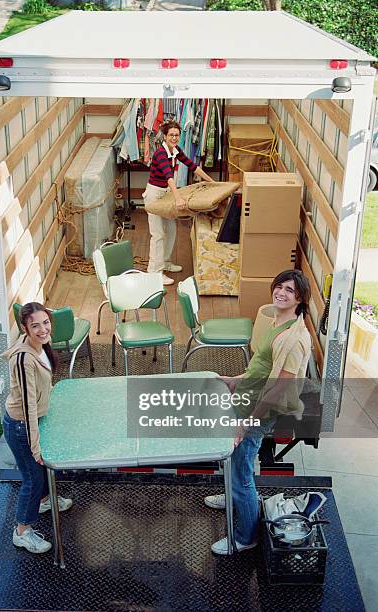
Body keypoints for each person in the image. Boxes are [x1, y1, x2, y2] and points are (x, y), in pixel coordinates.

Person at [205, 270, 312, 554]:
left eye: (290, 290)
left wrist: (247, 424)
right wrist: (236, 380)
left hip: (258, 412)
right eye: (279, 286)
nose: (281, 292)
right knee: (233, 462)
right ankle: (231, 498)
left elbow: (278, 388)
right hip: (246, 400)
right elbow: (261, 369)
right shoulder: (276, 321)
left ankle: (245, 537)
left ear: (300, 298)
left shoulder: (294, 339)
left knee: (241, 474)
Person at [2, 302, 73, 554]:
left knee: (39, 472)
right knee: (32, 477)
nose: (43, 329)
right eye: (35, 325)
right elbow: (28, 405)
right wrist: (35, 446)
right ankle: (22, 532)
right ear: (25, 328)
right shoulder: (23, 359)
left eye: (45, 322)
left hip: (33, 420)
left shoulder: (40, 345)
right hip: (21, 425)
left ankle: (44, 501)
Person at [143, 120, 214, 286]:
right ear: (165, 137)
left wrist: (211, 181)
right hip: (154, 195)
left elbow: (192, 166)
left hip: (166, 194)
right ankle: (154, 272)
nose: (174, 138)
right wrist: (178, 199)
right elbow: (169, 177)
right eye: (171, 135)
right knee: (158, 234)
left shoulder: (175, 150)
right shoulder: (161, 154)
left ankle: (165, 261)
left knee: (171, 229)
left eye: (176, 135)